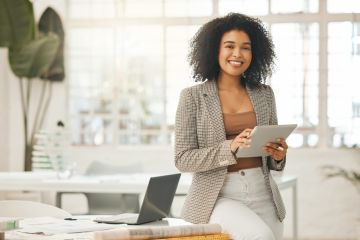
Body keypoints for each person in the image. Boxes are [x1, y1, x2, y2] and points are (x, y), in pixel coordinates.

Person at [174, 13, 288, 240]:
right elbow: (183, 158)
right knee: (260, 236)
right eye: (229, 46)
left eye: (246, 47)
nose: (237, 54)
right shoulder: (192, 97)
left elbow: (274, 158)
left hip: (264, 192)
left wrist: (278, 154)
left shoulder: (265, 94)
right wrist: (230, 147)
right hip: (218, 195)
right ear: (214, 50)